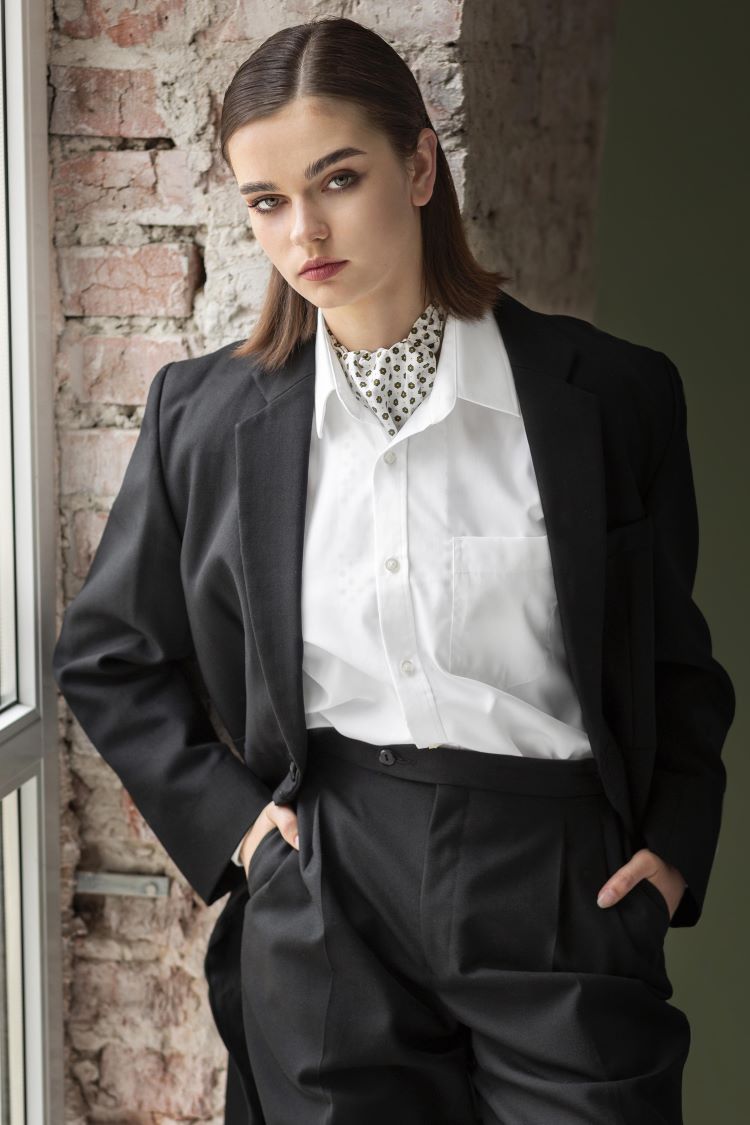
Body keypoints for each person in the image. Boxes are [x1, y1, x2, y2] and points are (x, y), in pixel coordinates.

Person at [51, 14, 735, 1125]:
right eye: (268, 201)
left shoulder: (611, 398)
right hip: (326, 883)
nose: (303, 229)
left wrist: (670, 850)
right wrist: (237, 829)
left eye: (339, 178)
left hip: (557, 883)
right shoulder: (205, 415)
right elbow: (108, 653)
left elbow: (676, 668)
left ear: (420, 166)